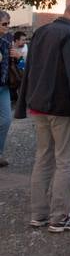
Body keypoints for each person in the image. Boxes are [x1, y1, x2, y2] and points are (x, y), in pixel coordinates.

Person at [15, 0, 70, 232]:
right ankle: (59, 217)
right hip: (62, 107)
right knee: (65, 162)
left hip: (39, 105)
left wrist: (25, 100)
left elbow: (30, 68)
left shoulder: (42, 32)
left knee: (43, 158)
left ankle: (38, 214)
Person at [0, 10, 14, 166]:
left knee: (6, 120)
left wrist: (18, 57)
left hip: (3, 86)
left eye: (9, 24)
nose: (8, 27)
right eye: (4, 24)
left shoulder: (7, 40)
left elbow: (12, 64)